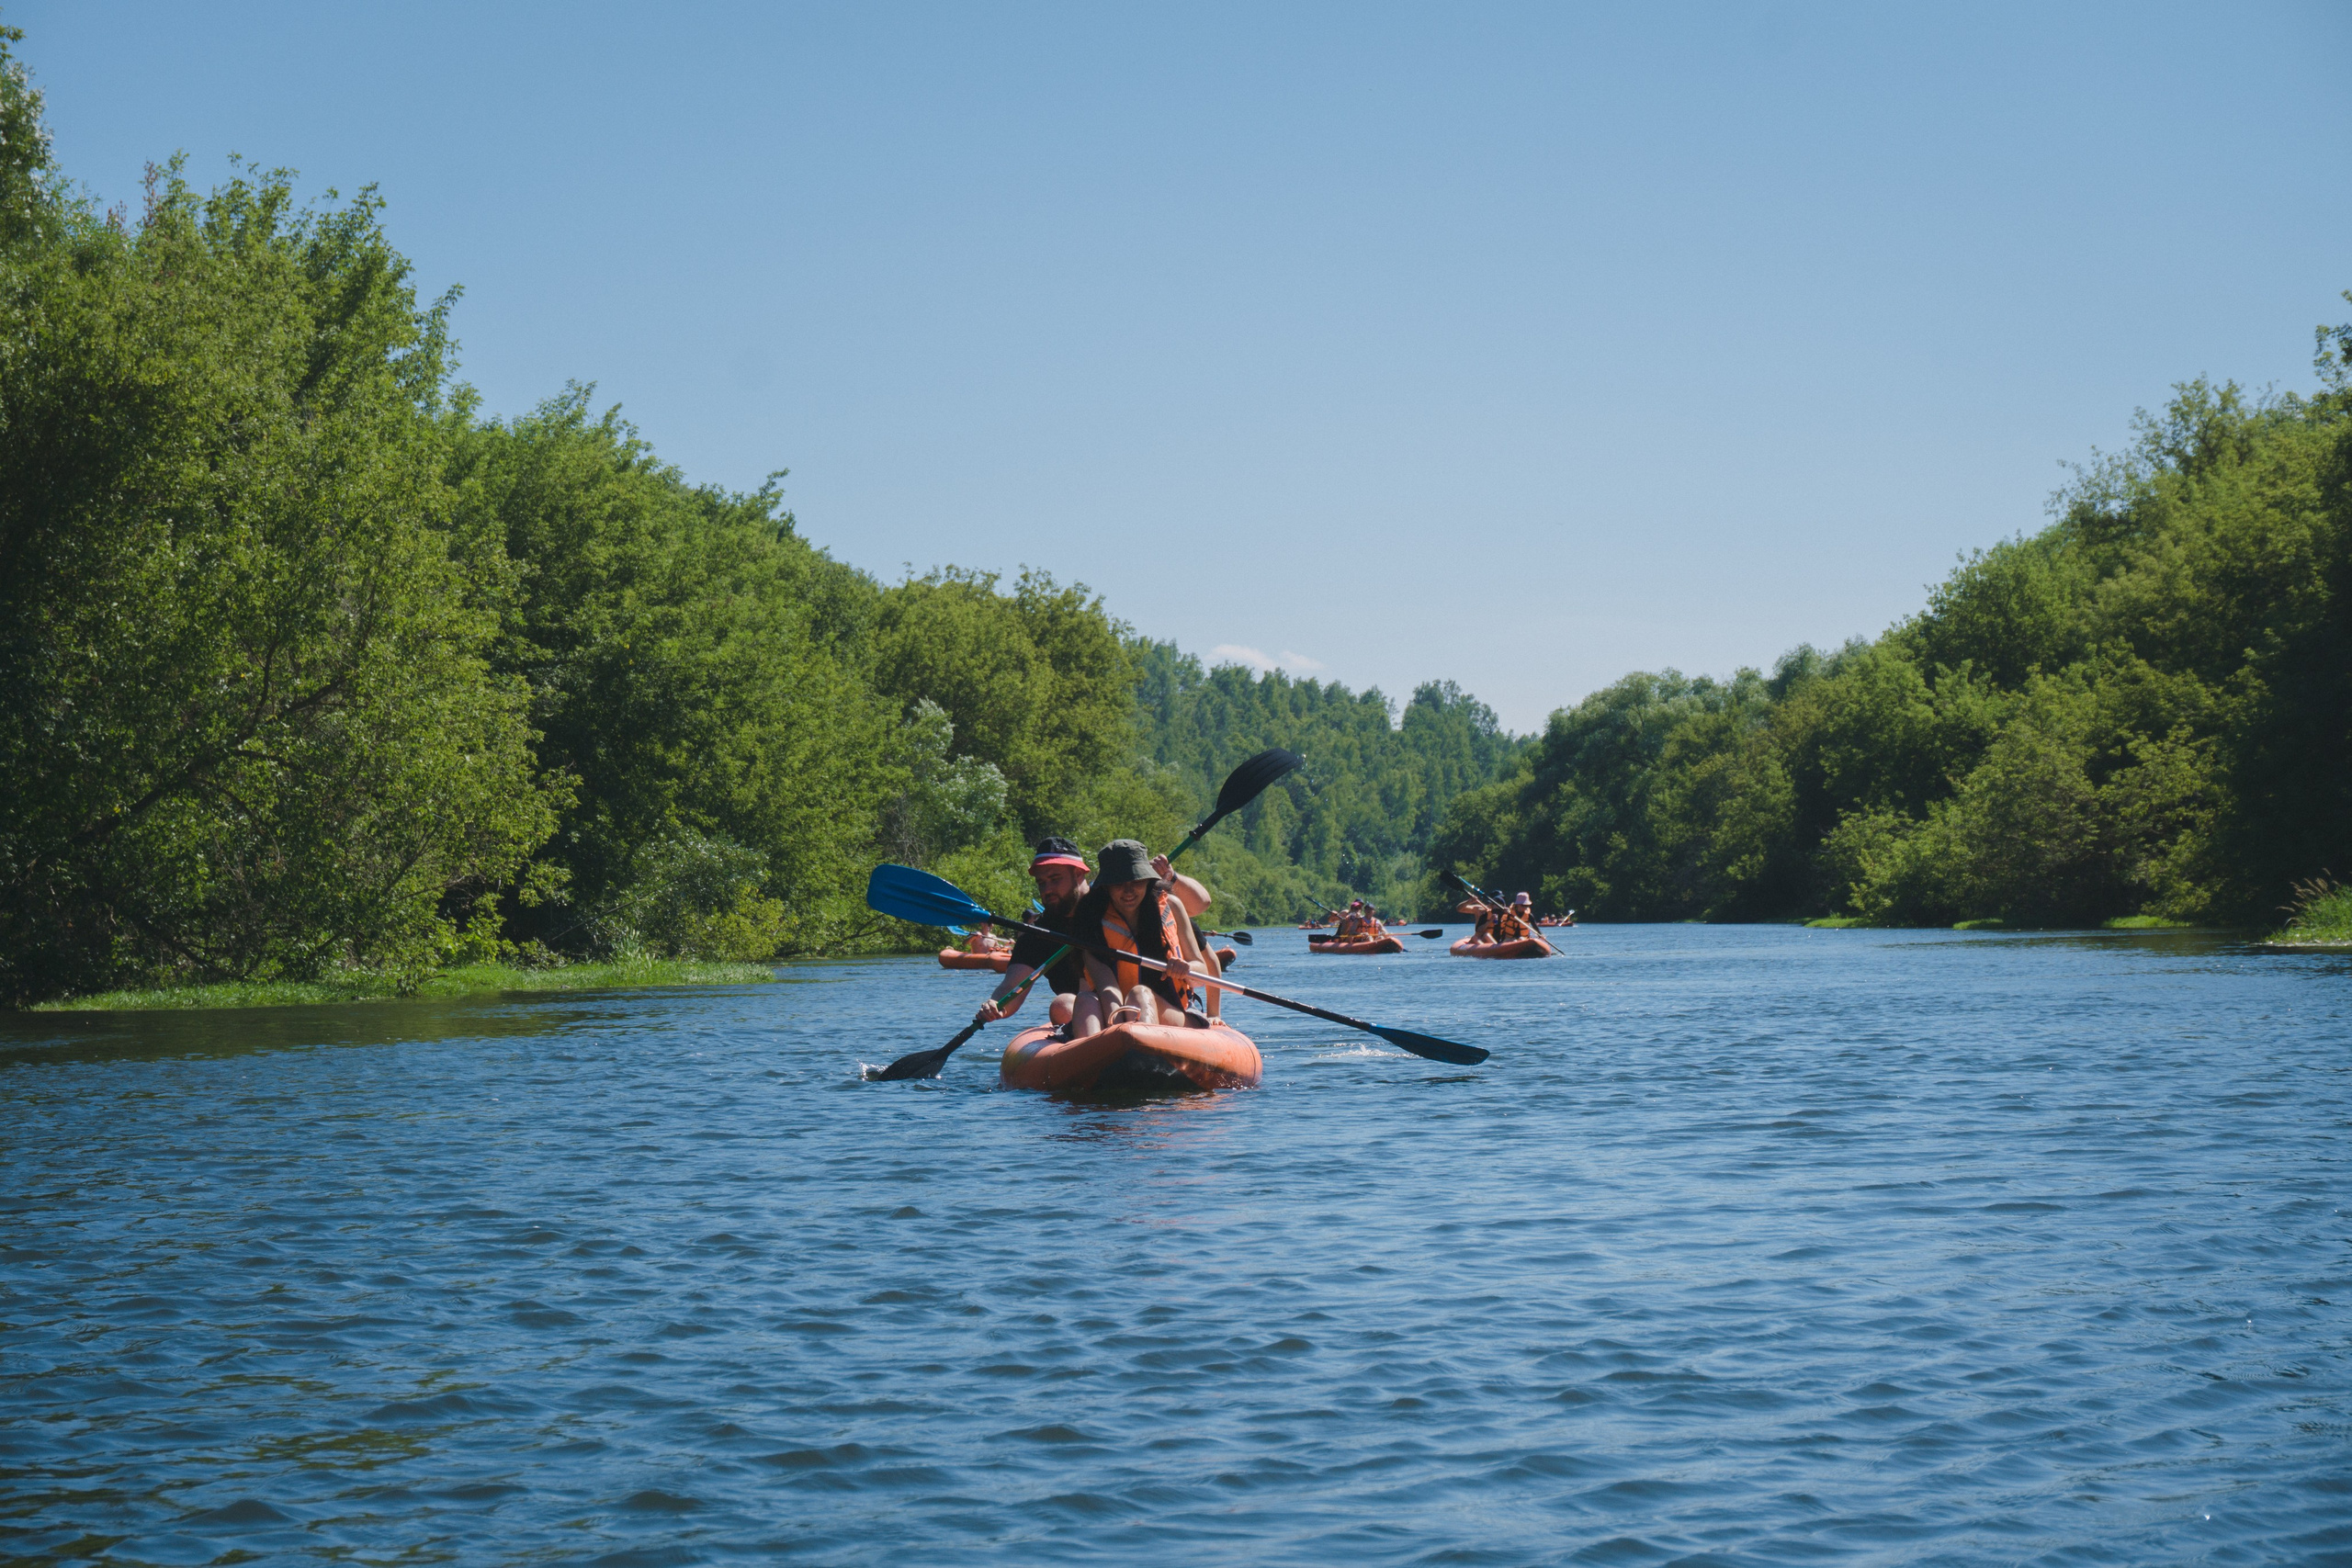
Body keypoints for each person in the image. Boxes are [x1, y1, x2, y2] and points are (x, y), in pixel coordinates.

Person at [1073, 839, 1216, 1030]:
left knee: (1139, 995)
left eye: (1136, 880)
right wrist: (1116, 1034)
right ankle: (1095, 1057)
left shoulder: (1172, 906)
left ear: (1148, 880)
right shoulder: (1091, 921)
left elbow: (1201, 972)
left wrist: (1186, 968)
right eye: (1119, 883)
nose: (1129, 891)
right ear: (1106, 886)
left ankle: (1143, 1049)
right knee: (1083, 1001)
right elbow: (1106, 987)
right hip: (1118, 1011)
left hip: (1175, 1012)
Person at [974, 838, 1092, 1031]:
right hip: (1077, 1011)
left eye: (1055, 879)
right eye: (1041, 883)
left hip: (1126, 1001)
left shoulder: (1111, 909)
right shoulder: (1037, 935)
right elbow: (1011, 986)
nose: (1047, 890)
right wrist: (996, 1005)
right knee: (1062, 1005)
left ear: (1078, 874)